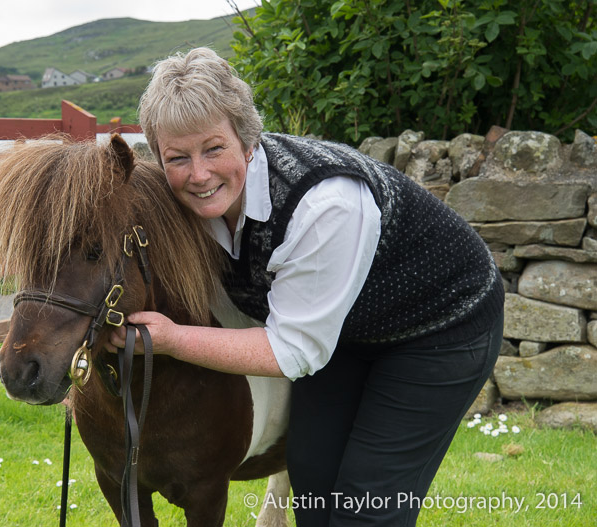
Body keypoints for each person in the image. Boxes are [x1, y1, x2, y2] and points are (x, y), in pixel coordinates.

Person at [109, 47, 504, 526]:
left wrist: (168, 339)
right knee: (314, 481)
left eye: (214, 149)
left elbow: (293, 351)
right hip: (346, 330)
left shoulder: (322, 204)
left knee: (366, 505)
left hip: (440, 325)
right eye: (178, 157)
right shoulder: (184, 199)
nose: (199, 174)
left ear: (247, 139)